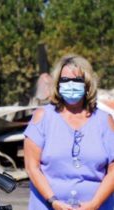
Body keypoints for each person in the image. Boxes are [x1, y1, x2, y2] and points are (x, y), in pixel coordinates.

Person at [24, 54, 114, 210]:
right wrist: (53, 201)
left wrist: (95, 203)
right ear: (57, 84)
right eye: (65, 80)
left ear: (87, 84)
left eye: (77, 80)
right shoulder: (42, 117)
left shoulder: (104, 121)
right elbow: (32, 167)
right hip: (48, 205)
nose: (70, 85)